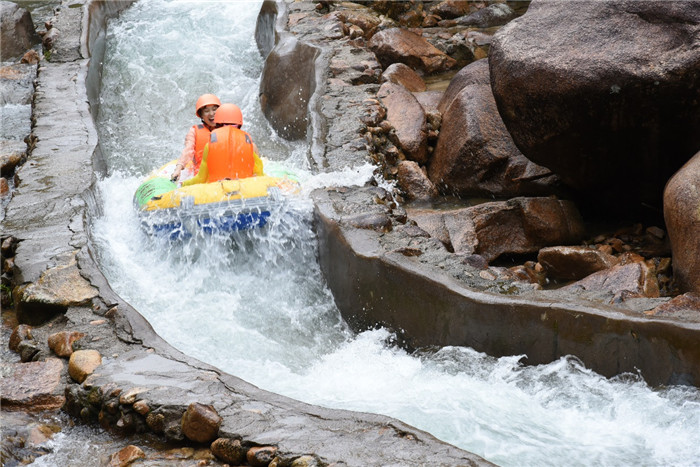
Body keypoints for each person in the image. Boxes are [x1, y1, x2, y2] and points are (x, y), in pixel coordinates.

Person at [182, 103, 264, 186]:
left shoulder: (209, 146)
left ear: (218, 124)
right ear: (240, 125)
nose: (229, 129)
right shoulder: (251, 146)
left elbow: (201, 178)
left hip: (217, 190)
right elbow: (260, 175)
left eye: (233, 125)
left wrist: (183, 184)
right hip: (246, 190)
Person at [171, 93, 221, 181]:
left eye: (214, 109)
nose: (211, 113)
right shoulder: (194, 131)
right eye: (206, 111)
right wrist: (178, 169)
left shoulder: (227, 128)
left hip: (224, 174)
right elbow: (188, 150)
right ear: (201, 115)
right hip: (201, 176)